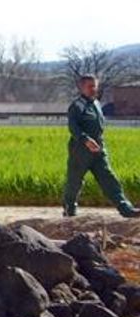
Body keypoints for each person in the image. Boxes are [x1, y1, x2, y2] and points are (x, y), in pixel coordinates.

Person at [64, 73, 139, 218]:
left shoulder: (97, 104)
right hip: (81, 149)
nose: (93, 89)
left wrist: (98, 144)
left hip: (98, 149)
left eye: (95, 86)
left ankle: (125, 209)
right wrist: (85, 140)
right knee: (75, 181)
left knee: (109, 178)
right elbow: (73, 127)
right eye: (90, 86)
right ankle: (69, 209)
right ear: (82, 87)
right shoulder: (77, 106)